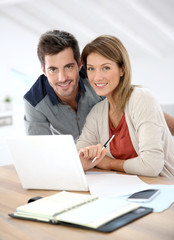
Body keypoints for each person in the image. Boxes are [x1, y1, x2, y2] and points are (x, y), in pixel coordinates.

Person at [77, 35, 174, 178]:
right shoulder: (97, 113)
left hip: (164, 187)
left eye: (106, 68)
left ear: (122, 69)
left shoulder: (142, 98)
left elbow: (151, 166)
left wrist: (109, 163)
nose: (97, 77)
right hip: (125, 189)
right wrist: (87, 160)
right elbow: (76, 158)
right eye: (91, 69)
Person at [23, 30, 104, 142]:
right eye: (53, 69)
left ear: (79, 64)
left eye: (68, 67)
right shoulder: (34, 102)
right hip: (68, 156)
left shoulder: (96, 79)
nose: (62, 78)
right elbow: (40, 150)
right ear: (44, 71)